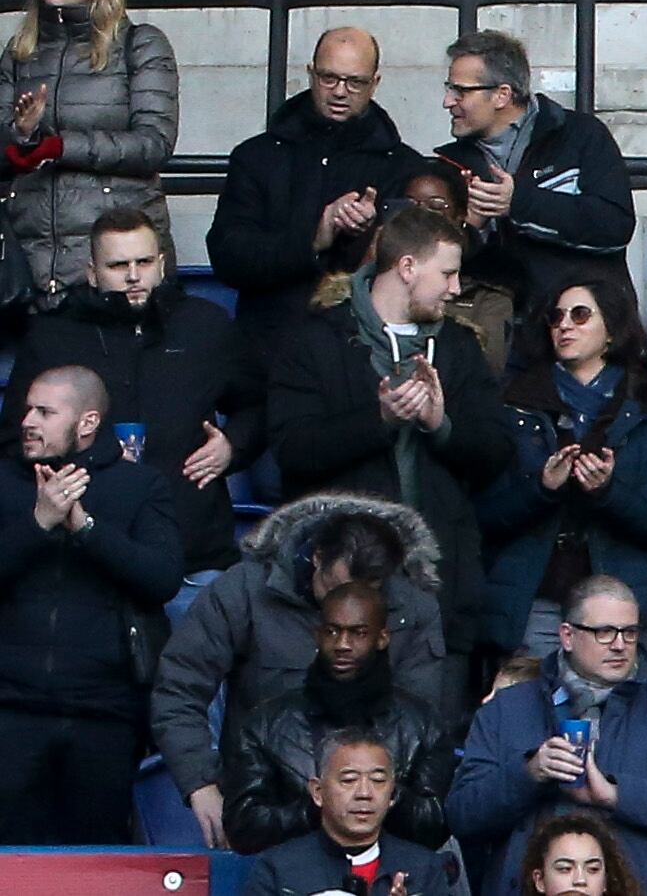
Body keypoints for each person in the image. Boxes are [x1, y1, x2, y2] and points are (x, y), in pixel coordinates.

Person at [14, 198, 248, 584]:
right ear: (92, 273)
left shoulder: (206, 325)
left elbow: (256, 405)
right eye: (119, 266)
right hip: (89, 556)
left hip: (196, 549)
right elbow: (15, 438)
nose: (134, 276)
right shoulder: (53, 337)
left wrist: (233, 445)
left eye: (144, 262)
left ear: (162, 264)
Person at [274, 206, 517, 573]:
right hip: (343, 567)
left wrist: (441, 427)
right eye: (448, 274)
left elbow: (497, 451)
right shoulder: (313, 340)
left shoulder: (460, 345)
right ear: (407, 268)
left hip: (441, 567)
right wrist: (380, 420)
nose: (456, 288)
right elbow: (292, 450)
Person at [451, 582, 647, 890]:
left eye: (630, 632)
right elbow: (462, 815)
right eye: (605, 632)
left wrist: (616, 794)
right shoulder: (506, 708)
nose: (620, 645)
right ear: (567, 636)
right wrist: (529, 772)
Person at [0, 360, 181, 841]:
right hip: (10, 711)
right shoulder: (4, 483)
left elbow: (162, 578)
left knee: (97, 861)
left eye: (45, 412)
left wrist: (86, 529)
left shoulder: (139, 485)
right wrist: (38, 523)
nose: (27, 422)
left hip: (104, 714)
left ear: (87, 422)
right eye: (27, 410)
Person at [217, 561, 460, 856]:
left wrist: (382, 794)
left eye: (358, 633)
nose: (343, 644)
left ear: (382, 638)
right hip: (295, 874)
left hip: (395, 873)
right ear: (317, 635)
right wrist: (322, 804)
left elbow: (438, 823)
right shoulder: (267, 723)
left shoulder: (422, 724)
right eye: (332, 631)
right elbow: (243, 826)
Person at [220, 31, 426, 318]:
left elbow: (416, 268)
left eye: (355, 82)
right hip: (274, 329)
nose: (340, 91)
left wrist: (369, 234)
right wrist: (315, 238)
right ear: (310, 74)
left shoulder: (405, 167)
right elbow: (229, 258)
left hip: (363, 335)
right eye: (329, 78)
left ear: (374, 83)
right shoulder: (256, 157)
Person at [253, 723, 468, 896]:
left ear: (392, 794)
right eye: (349, 780)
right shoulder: (277, 870)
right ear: (318, 792)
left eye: (378, 780)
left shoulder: (426, 869)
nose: (364, 793)